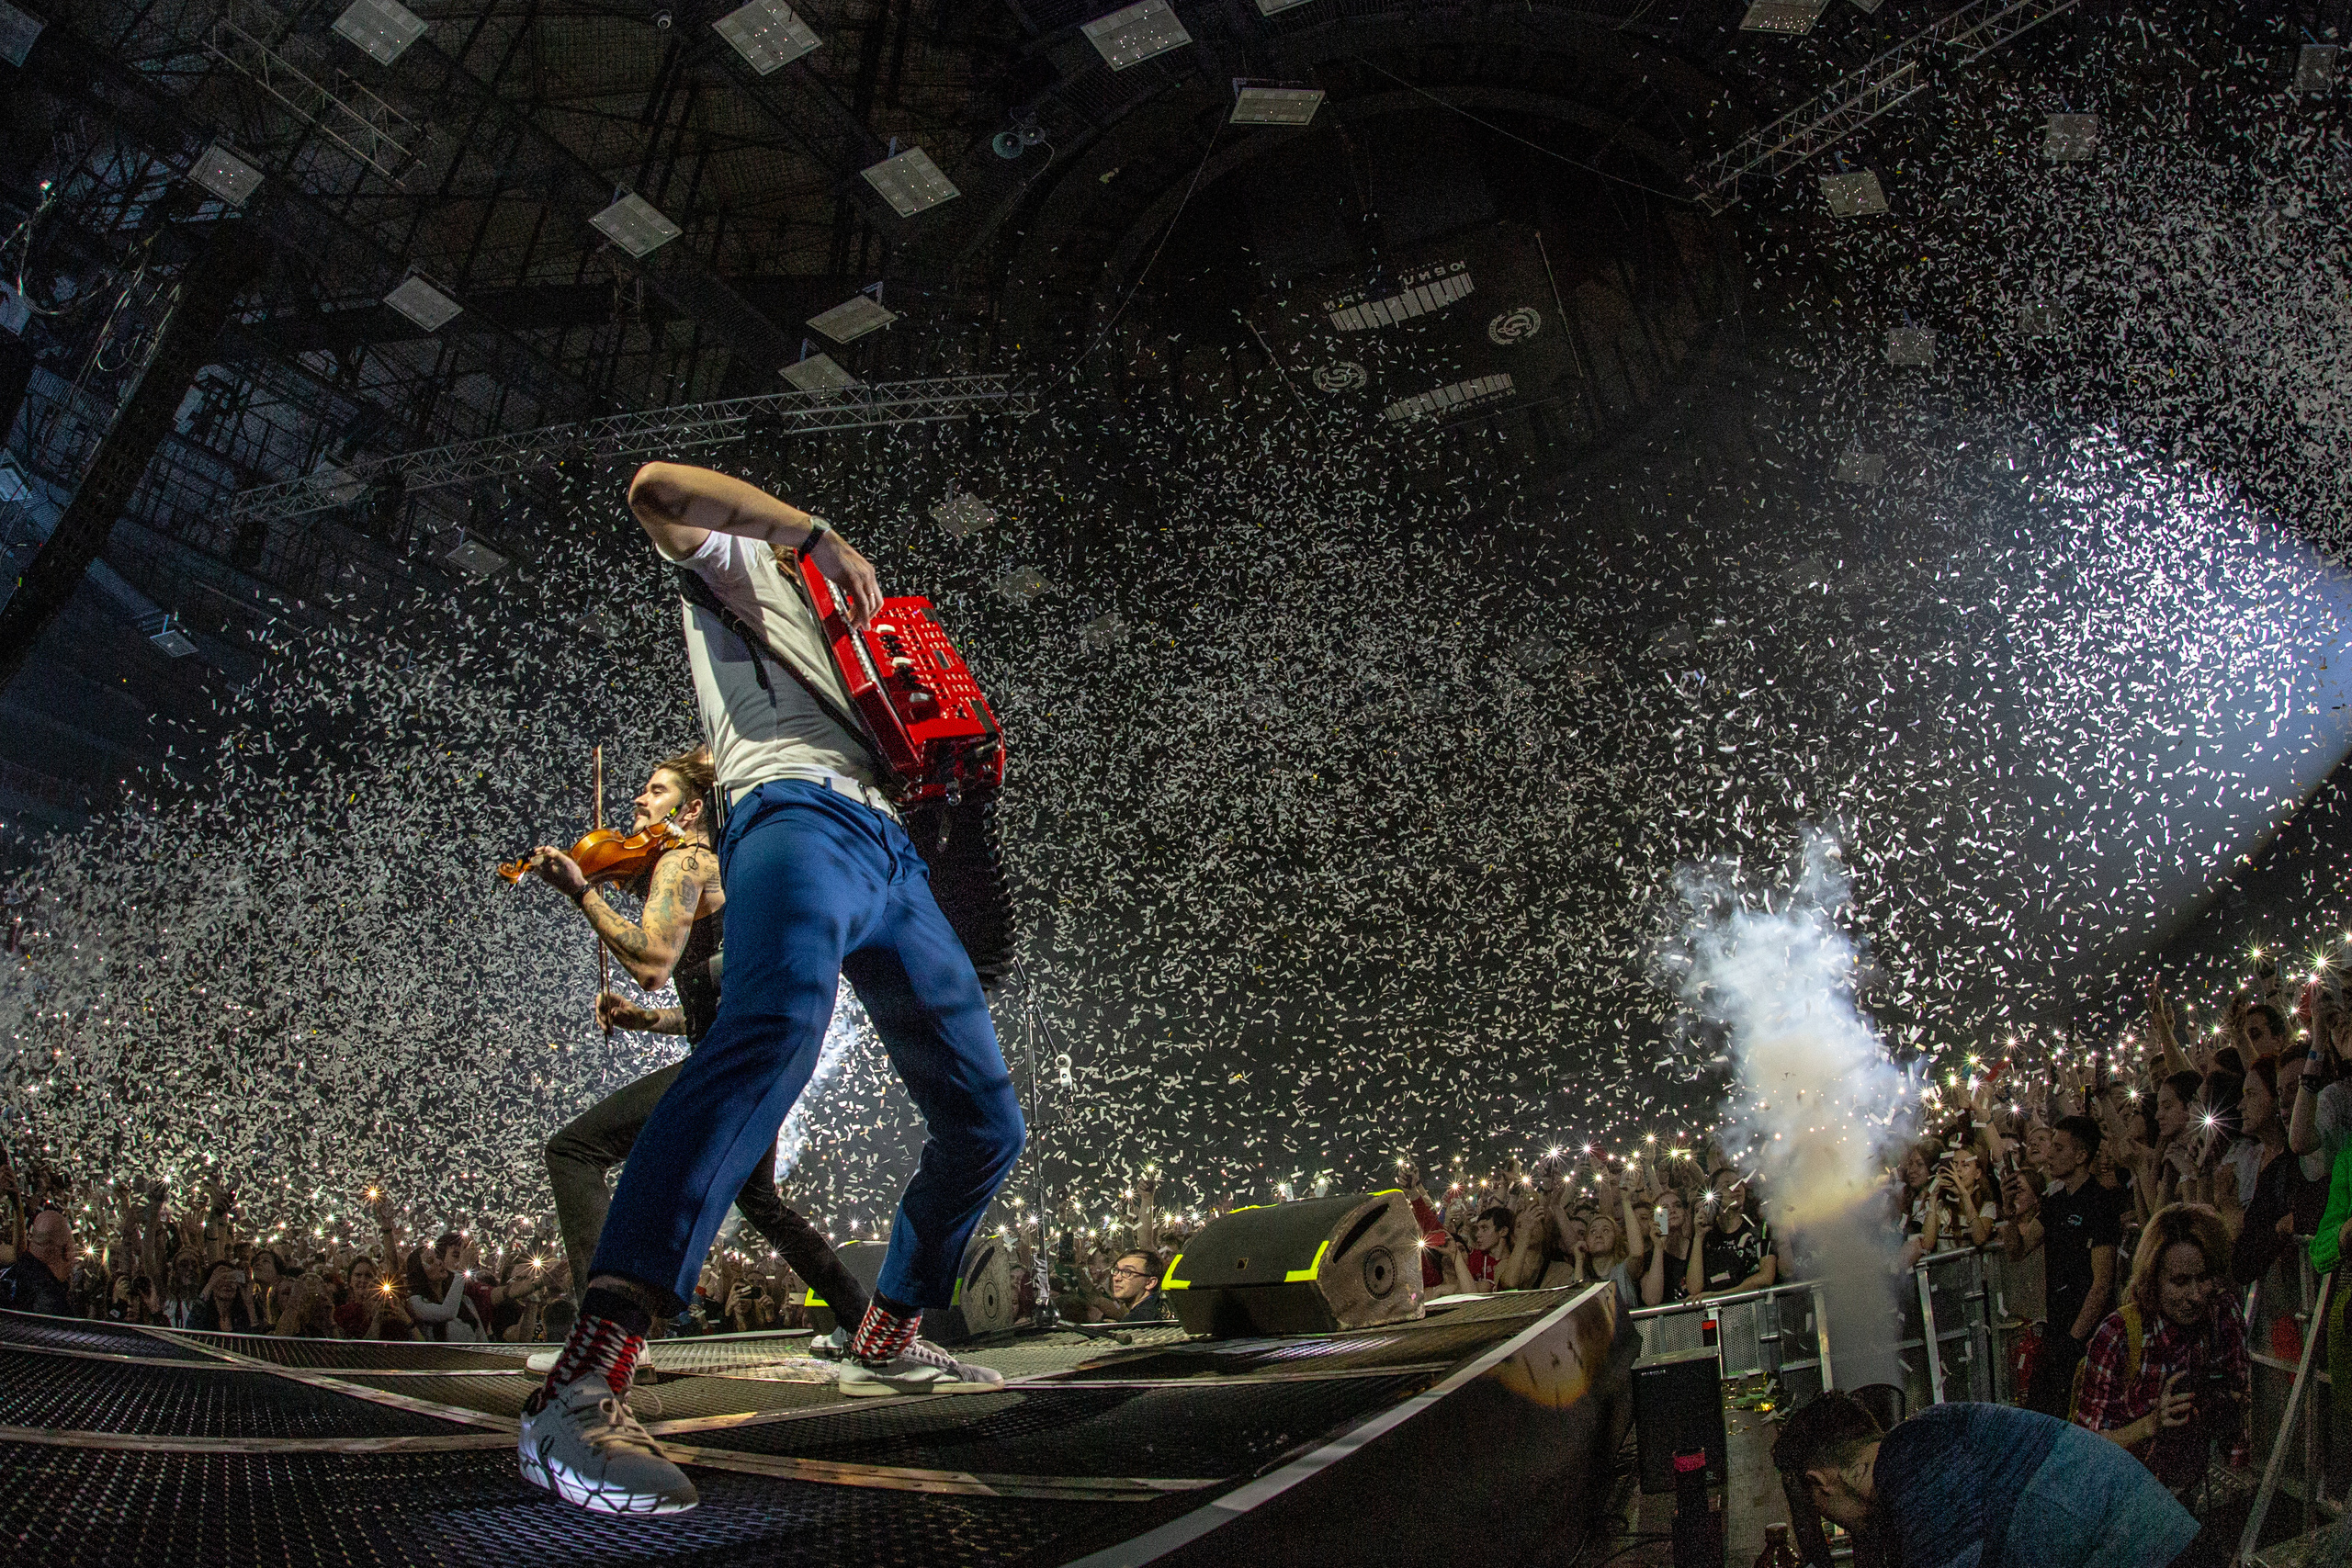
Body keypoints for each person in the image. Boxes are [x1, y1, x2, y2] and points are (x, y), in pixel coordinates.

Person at [518, 462, 1025, 1517]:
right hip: (789, 811)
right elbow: (654, 488)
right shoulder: (752, 561)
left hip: (889, 849)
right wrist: (812, 527)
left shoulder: (856, 625)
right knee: (772, 1036)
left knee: (986, 1123)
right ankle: (584, 1383)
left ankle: (883, 1337)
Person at [520, 749, 870, 1364]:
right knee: (760, 1201)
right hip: (750, 1064)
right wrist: (643, 1019)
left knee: (574, 1149)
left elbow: (653, 961)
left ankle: (604, 1333)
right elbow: (710, 1005)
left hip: (721, 1070)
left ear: (690, 806)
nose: (638, 800)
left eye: (655, 790)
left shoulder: (683, 861)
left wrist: (582, 892)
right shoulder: (727, 870)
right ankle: (862, 1321)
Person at [1775, 1393, 2204, 1568]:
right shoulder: (1920, 1444)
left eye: (1821, 1511)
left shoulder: (1909, 1462)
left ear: (1821, 1482)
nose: (1839, 1526)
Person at [2074, 1203, 2248, 1497]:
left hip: (2191, 1487)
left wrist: (2224, 1404)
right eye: (2179, 1282)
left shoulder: (2222, 1312)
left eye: (2203, 1278)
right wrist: (2152, 1423)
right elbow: (2085, 1452)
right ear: (2153, 1281)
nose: (2195, 1296)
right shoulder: (2118, 1334)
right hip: (2122, 1497)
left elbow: (2238, 1401)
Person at [2006, 1113, 2124, 1417]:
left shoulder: (2100, 1202)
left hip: (2087, 1335)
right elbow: (2018, 1250)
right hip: (2057, 1330)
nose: (2050, 1156)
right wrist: (2008, 1215)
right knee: (2040, 1416)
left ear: (2081, 1155)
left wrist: (2074, 1340)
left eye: (2058, 1148)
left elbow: (2102, 1283)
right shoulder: (2056, 1202)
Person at [1690, 1175, 1776, 1299]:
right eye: (1727, 1185)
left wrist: (1717, 1296)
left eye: (1739, 1183)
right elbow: (1694, 1289)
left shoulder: (1760, 1228)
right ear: (1713, 1195)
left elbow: (1765, 1278)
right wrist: (1698, 1237)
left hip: (1756, 1308)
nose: (1736, 1188)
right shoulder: (1705, 1235)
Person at [407, 1234, 489, 1342]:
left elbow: (482, 1340)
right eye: (431, 1261)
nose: (439, 1262)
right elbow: (447, 1312)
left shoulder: (465, 1301)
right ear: (420, 1272)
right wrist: (462, 1268)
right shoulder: (416, 1302)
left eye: (437, 1257)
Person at [0, 1208, 73, 1314]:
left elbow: (18, 1251)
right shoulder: (52, 1299)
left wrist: (17, 1207)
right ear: (66, 1250)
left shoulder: (21, 1267)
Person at [334, 1257, 420, 1341]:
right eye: (358, 1275)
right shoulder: (342, 1313)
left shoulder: (392, 1310)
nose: (363, 1280)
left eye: (368, 1276)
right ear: (350, 1281)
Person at [186, 1259, 258, 1333]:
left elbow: (255, 1338)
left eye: (231, 1278)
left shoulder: (241, 1316)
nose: (227, 1284)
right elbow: (192, 1329)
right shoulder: (203, 1314)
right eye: (222, 1278)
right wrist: (210, 1285)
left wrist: (249, 1303)